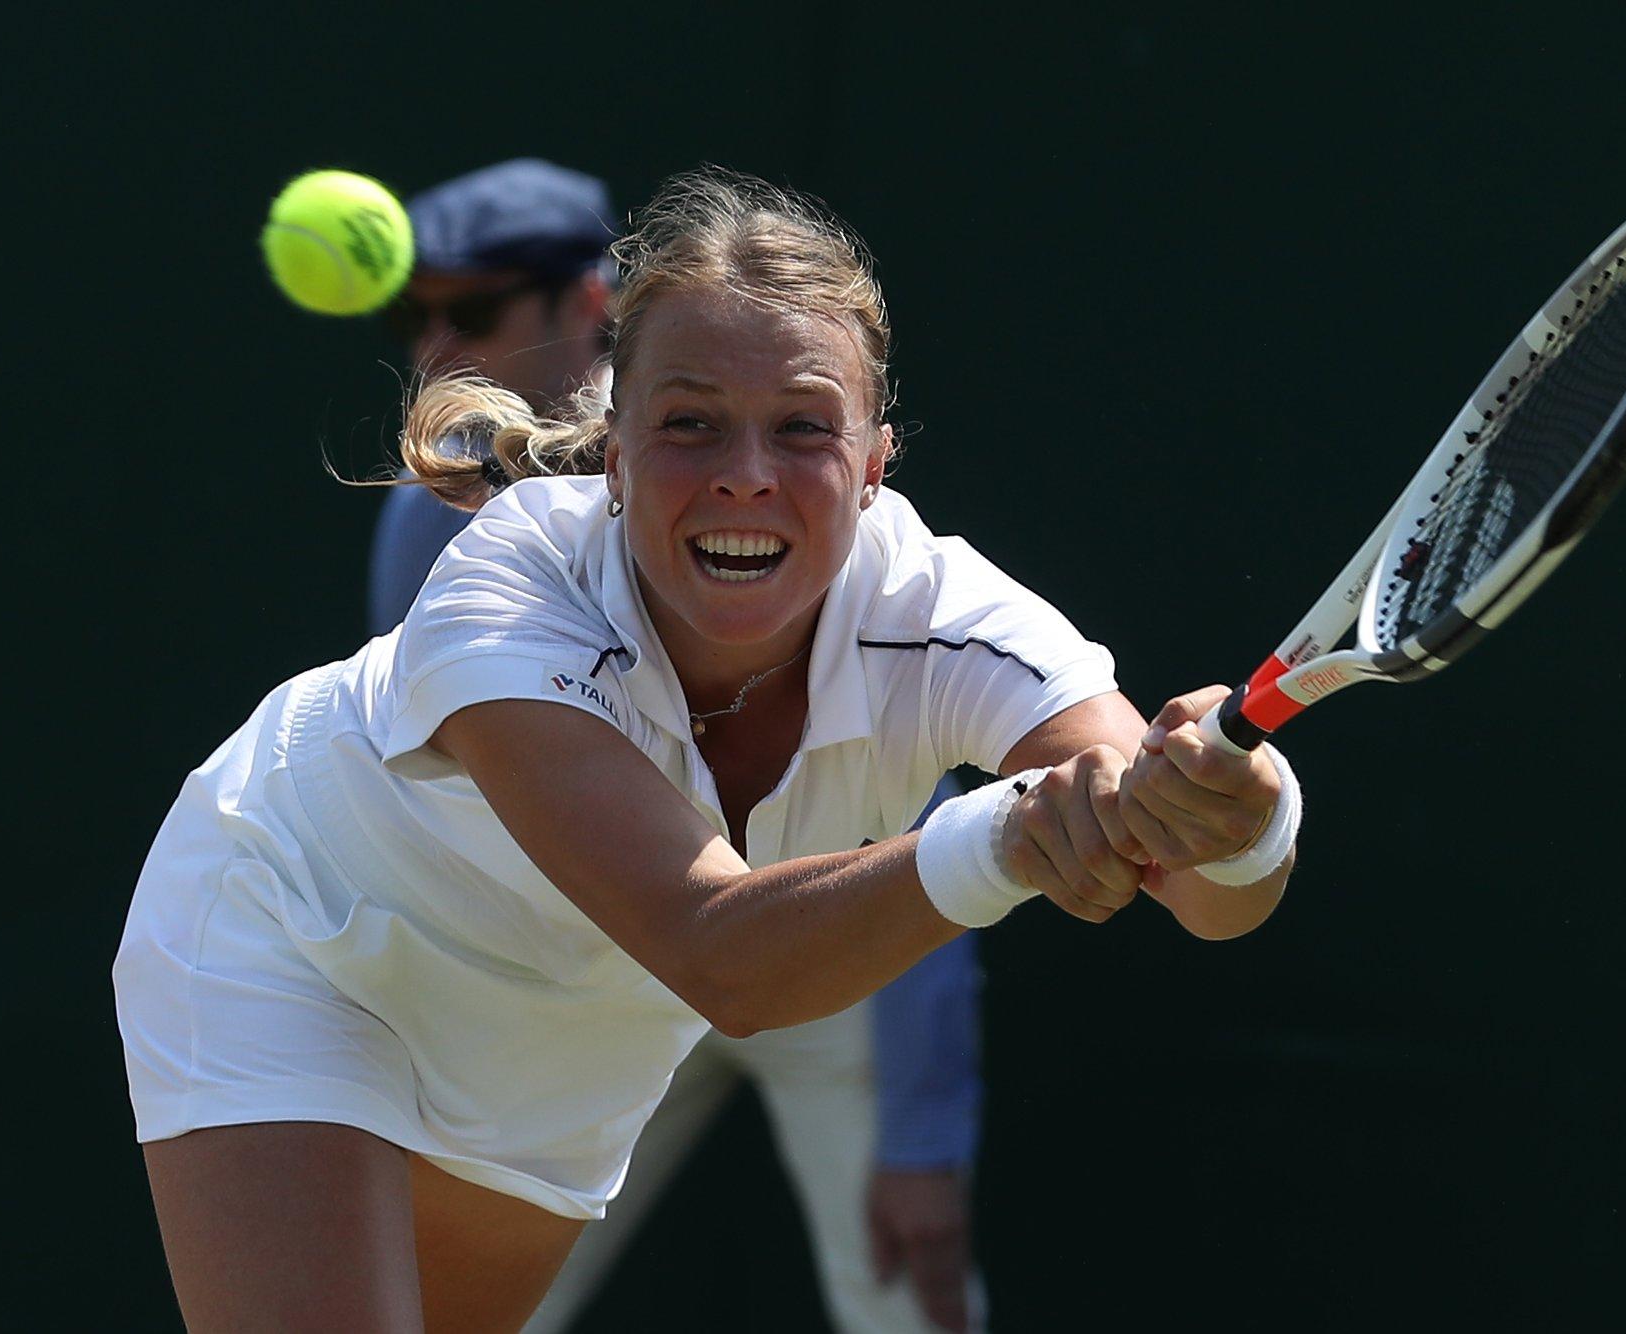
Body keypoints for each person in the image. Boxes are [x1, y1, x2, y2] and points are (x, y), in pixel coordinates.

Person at [113, 168, 1301, 1333]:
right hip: (293, 926)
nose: (745, 472)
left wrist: (1234, 812)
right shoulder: (506, 582)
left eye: (801, 428)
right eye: (689, 424)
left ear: (877, 463)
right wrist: (1008, 834)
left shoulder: (947, 613)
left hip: (571, 1044)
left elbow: (1202, 890)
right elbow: (722, 957)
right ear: (615, 451)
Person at [366, 158, 989, 1334]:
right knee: (460, 1307)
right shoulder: (428, 528)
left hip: (827, 961)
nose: (439, 341)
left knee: (907, 1306)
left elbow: (918, 800)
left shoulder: (817, 518)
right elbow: (445, 829)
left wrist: (919, 1128)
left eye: (479, 305)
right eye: (415, 311)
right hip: (598, 962)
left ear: (585, 308)